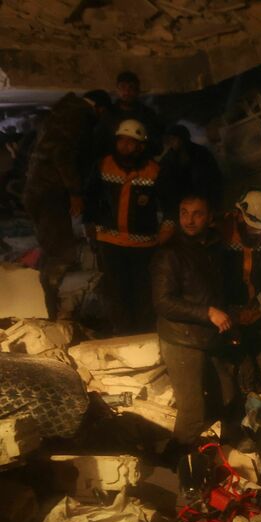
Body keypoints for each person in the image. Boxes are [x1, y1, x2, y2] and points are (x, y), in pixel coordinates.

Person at [150, 193, 236, 479]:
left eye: (197, 213)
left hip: (209, 337)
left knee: (226, 397)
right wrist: (208, 312)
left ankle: (207, 459)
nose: (189, 219)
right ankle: (166, 470)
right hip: (182, 338)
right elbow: (163, 301)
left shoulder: (214, 248)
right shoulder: (170, 253)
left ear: (209, 217)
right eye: (184, 212)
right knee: (192, 411)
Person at [22, 90, 111, 319]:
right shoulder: (78, 117)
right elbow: (63, 155)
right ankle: (53, 310)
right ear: (99, 109)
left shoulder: (60, 112)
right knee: (61, 252)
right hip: (51, 191)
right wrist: (74, 192)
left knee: (51, 248)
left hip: (37, 188)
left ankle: (49, 303)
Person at [86, 118, 172, 333]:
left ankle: (143, 333)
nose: (124, 146)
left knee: (143, 291)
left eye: (130, 142)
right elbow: (90, 197)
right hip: (110, 241)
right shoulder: (103, 165)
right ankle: (122, 332)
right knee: (116, 290)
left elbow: (171, 203)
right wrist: (89, 225)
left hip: (142, 245)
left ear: (141, 146)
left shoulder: (155, 171)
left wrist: (167, 228)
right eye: (121, 141)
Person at [218, 189, 261, 328]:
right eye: (252, 228)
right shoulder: (222, 235)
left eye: (259, 230)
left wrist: (259, 306)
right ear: (239, 215)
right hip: (224, 315)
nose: (256, 234)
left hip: (253, 312)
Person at [158, 124, 223, 218]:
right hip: (180, 207)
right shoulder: (168, 160)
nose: (171, 142)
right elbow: (165, 188)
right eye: (169, 139)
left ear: (183, 138)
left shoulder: (201, 154)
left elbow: (214, 179)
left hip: (202, 202)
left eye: (173, 138)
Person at [98, 71, 163, 156]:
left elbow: (156, 144)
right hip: (113, 162)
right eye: (123, 87)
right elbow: (99, 143)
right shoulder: (108, 114)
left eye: (131, 87)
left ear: (138, 91)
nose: (127, 91)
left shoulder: (148, 114)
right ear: (117, 90)